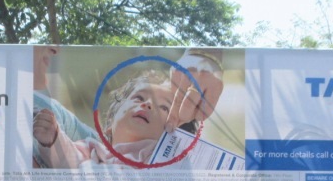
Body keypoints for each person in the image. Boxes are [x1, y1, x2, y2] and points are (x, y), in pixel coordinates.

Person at [33, 48, 223, 169]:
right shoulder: (92, 149)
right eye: (139, 97)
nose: (147, 104)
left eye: (165, 108)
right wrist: (53, 138)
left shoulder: (160, 159)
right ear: (109, 126)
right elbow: (67, 160)